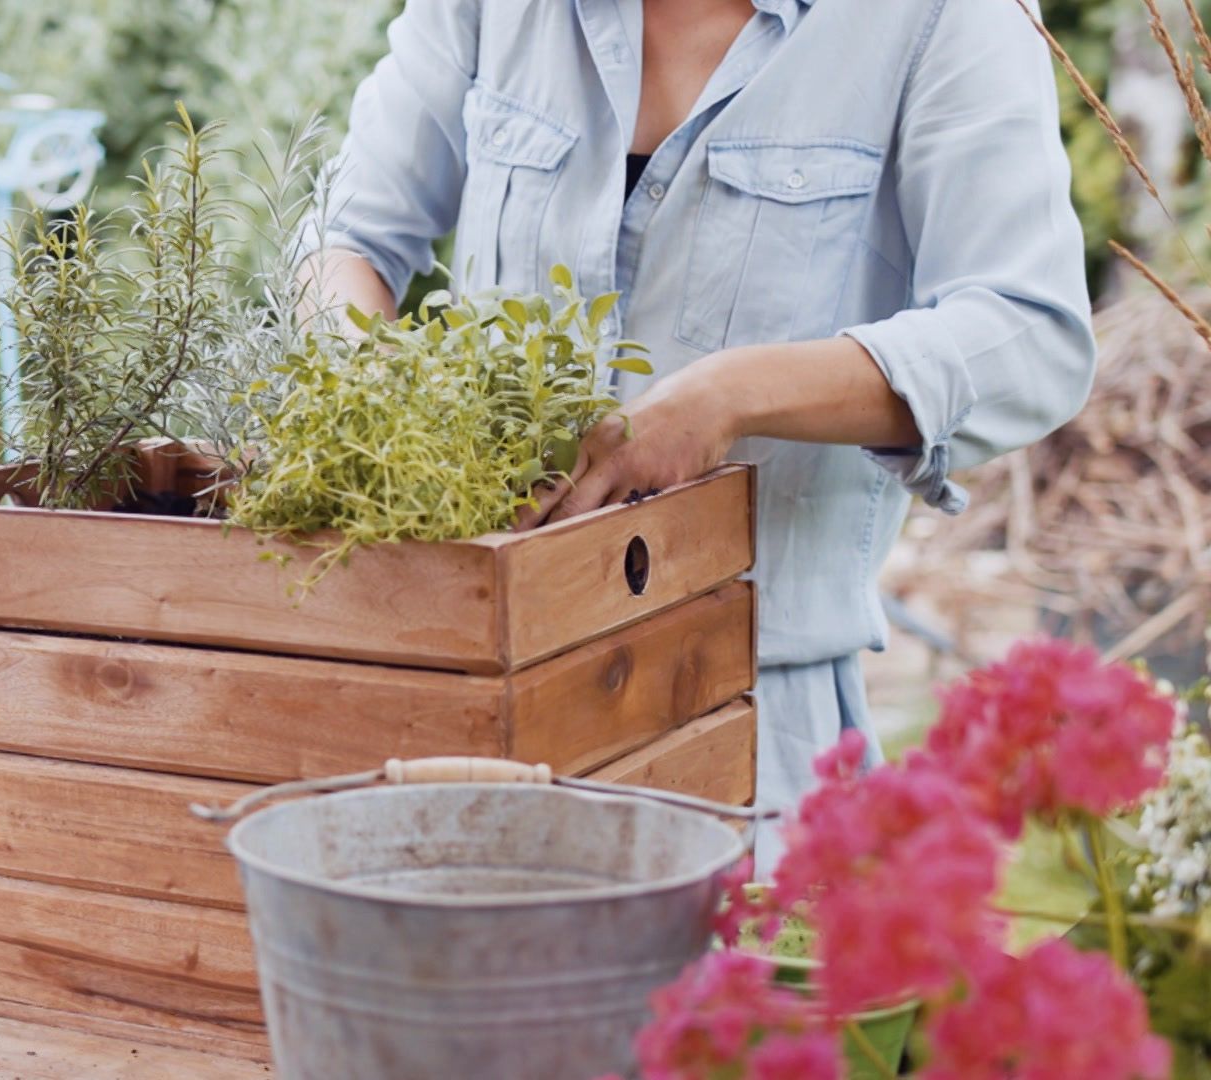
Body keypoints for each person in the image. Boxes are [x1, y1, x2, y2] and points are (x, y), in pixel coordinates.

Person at [306, 0, 1094, 867]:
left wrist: (728, 395)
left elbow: (1031, 335)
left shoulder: (937, 19)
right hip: (471, 709)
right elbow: (344, 238)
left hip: (751, 726)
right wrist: (378, 392)